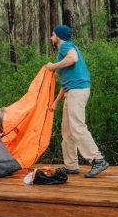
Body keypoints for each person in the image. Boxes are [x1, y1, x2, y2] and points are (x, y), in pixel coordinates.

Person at [46, 25, 109, 178]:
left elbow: (73, 58)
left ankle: (97, 159)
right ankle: (71, 165)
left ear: (59, 37)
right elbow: (67, 82)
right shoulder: (64, 50)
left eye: (53, 34)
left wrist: (53, 66)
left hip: (78, 91)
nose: (51, 37)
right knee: (67, 130)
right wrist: (56, 102)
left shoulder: (65, 46)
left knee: (77, 126)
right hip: (72, 91)